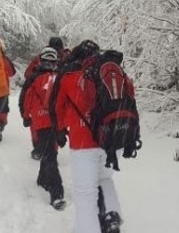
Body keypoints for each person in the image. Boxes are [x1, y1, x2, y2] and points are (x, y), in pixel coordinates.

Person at [50, 39, 125, 233]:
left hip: (83, 142)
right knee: (105, 180)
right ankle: (111, 214)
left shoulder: (69, 77)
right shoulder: (111, 73)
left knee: (85, 194)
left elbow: (57, 107)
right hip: (112, 139)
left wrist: (60, 131)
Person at [20, 47, 66, 210]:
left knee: (48, 155)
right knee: (50, 154)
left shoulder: (34, 77)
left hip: (40, 121)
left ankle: (49, 186)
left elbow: (26, 98)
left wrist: (26, 116)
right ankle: (51, 188)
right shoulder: (59, 78)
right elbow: (65, 101)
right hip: (55, 122)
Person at [21, 37, 71, 158]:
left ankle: (38, 148)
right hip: (58, 93)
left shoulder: (41, 57)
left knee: (37, 120)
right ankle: (52, 149)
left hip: (39, 94)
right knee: (56, 121)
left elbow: (27, 74)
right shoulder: (66, 57)